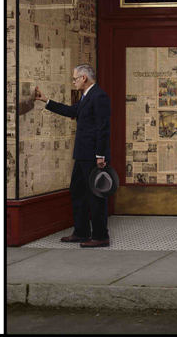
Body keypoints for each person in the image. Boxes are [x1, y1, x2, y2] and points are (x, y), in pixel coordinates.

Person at [35, 64, 112, 248]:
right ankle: (81, 232)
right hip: (82, 154)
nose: (74, 82)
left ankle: (101, 236)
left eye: (75, 78)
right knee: (77, 191)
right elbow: (72, 111)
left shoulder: (99, 96)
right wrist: (47, 101)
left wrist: (100, 155)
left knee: (96, 195)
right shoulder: (86, 96)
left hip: (93, 156)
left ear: (84, 78)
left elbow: (103, 128)